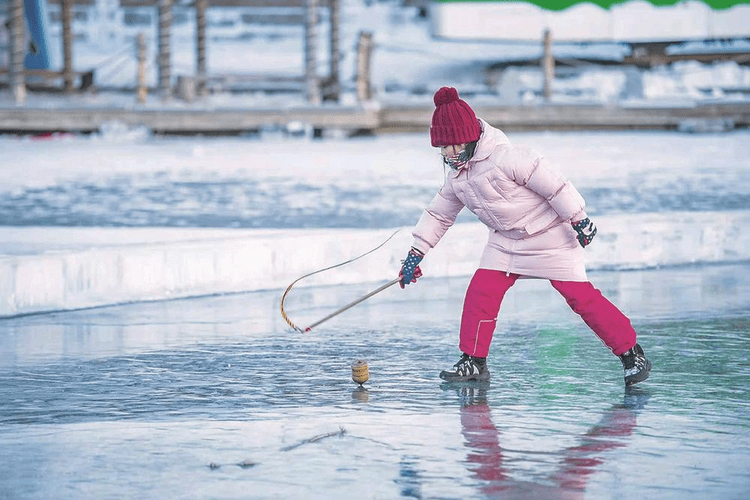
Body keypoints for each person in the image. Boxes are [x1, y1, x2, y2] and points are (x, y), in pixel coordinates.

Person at [397, 86, 651, 387]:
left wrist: (579, 219)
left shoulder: (508, 158)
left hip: (550, 236)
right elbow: (439, 215)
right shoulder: (457, 177)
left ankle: (631, 354)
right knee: (481, 293)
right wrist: (416, 253)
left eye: (455, 146)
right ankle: (473, 361)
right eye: (443, 148)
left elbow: (555, 186)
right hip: (506, 241)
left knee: (581, 298)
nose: (450, 155)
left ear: (471, 136)